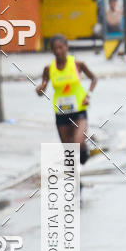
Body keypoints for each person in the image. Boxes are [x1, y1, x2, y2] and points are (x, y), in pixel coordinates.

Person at [36, 35, 97, 165]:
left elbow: (94, 78)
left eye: (60, 47)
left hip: (79, 111)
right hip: (61, 113)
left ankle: (84, 149)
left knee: (78, 143)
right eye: (55, 48)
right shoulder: (49, 69)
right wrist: (40, 89)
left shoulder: (77, 64)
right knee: (69, 151)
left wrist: (88, 95)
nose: (58, 51)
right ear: (52, 51)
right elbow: (43, 88)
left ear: (66, 47)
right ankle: (76, 183)